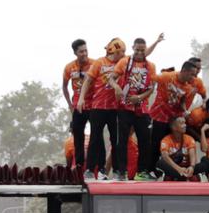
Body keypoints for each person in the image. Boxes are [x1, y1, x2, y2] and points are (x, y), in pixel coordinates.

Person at [77, 39, 127, 181]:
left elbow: (141, 56)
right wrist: (81, 99)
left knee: (116, 139)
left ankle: (118, 171)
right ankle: (90, 170)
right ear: (115, 51)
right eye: (122, 52)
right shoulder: (99, 63)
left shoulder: (123, 64)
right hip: (98, 107)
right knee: (94, 139)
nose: (124, 54)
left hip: (115, 108)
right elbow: (87, 81)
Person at [111, 38, 157, 181]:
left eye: (142, 50)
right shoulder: (124, 62)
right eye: (137, 49)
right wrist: (117, 87)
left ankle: (142, 171)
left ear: (146, 50)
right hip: (125, 107)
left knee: (145, 141)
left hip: (142, 108)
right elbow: (111, 78)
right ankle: (121, 171)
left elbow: (152, 87)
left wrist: (141, 97)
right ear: (133, 48)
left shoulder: (150, 66)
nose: (139, 52)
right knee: (122, 141)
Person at [149, 61, 200, 178]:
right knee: (156, 144)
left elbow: (182, 102)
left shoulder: (188, 87)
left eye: (195, 75)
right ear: (184, 71)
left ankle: (173, 171)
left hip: (173, 119)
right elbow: (151, 78)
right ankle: (151, 170)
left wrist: (184, 110)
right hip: (160, 116)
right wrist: (147, 93)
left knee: (172, 145)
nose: (193, 77)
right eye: (192, 74)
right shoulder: (168, 76)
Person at [63, 39, 93, 173]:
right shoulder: (69, 67)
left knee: (96, 135)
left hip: (93, 106)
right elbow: (64, 86)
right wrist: (70, 104)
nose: (84, 53)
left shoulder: (94, 64)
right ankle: (79, 165)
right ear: (75, 52)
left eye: (86, 50)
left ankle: (95, 165)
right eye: (81, 51)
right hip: (77, 107)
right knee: (78, 136)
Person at [156, 116, 197, 182]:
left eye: (185, 123)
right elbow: (165, 156)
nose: (185, 125)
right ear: (173, 127)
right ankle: (182, 176)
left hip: (187, 168)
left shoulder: (189, 139)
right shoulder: (166, 140)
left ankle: (184, 175)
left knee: (203, 163)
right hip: (173, 168)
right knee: (160, 162)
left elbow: (193, 156)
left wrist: (192, 167)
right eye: (181, 123)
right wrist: (178, 169)